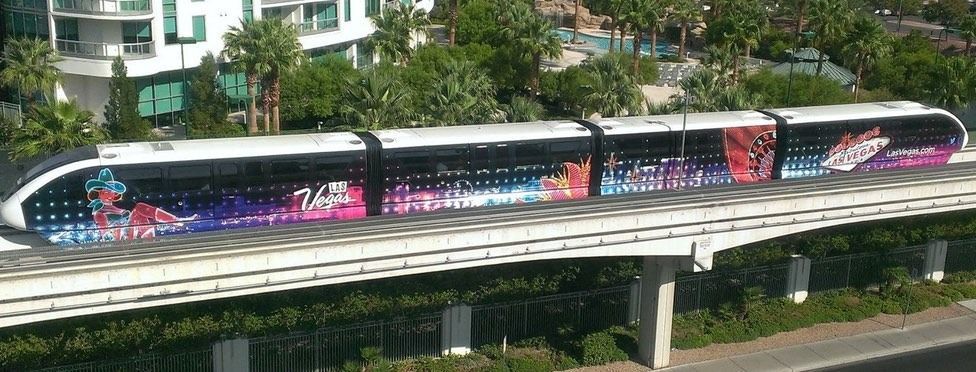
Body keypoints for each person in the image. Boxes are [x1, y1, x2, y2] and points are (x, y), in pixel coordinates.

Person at [85, 168, 190, 241]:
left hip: (132, 234)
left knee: (139, 213)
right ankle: (176, 221)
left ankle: (154, 238)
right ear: (98, 193)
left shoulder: (115, 208)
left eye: (112, 191)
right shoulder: (99, 213)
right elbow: (105, 235)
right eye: (106, 191)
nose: (110, 194)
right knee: (139, 208)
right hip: (120, 241)